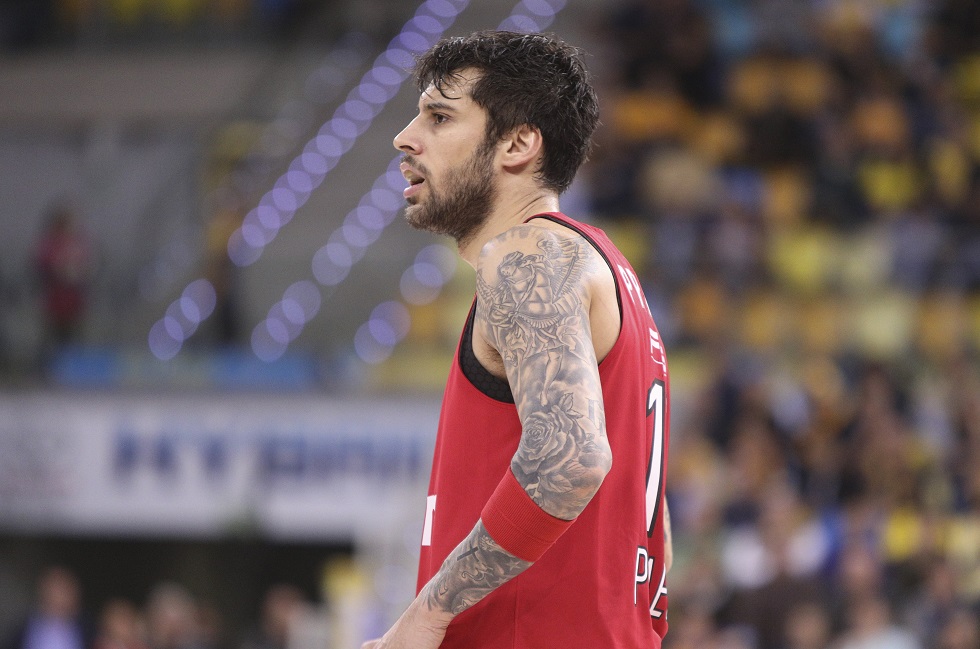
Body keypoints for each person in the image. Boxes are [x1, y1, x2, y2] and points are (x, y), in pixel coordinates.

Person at [363, 30, 672, 649]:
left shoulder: (528, 255)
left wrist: (425, 615)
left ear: (517, 144)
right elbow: (655, 521)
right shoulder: (608, 269)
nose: (405, 137)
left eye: (439, 117)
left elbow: (569, 459)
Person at [3, 566, 95, 649]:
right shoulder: (20, 632)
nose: (60, 597)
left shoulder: (89, 632)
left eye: (65, 590)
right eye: (56, 590)